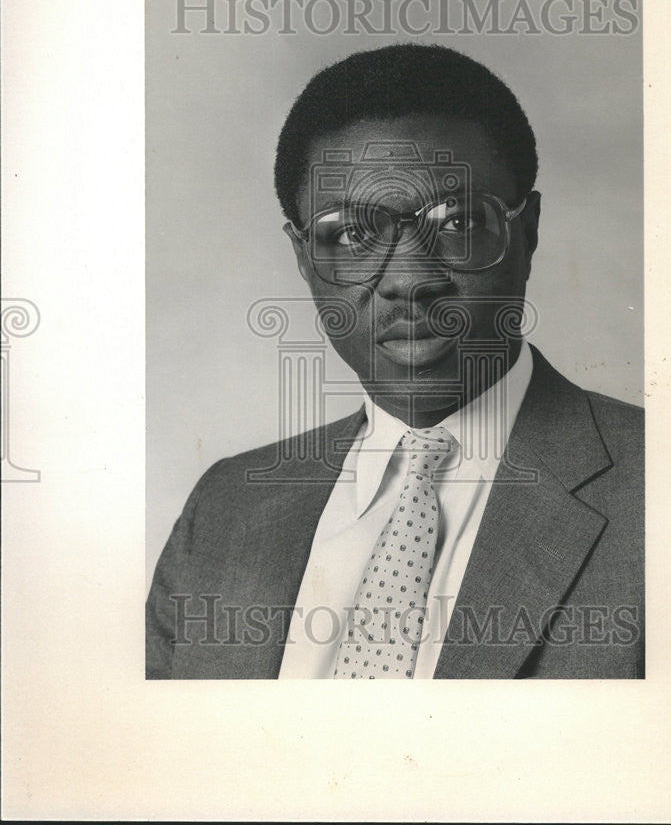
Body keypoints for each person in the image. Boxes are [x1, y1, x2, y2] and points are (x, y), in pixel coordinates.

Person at [146, 43, 644, 679]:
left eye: (459, 221)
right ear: (302, 257)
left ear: (528, 231)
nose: (410, 278)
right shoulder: (223, 511)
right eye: (351, 233)